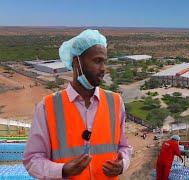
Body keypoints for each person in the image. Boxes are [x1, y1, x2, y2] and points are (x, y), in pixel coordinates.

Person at [23, 29, 132, 179]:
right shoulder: (48, 106)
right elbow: (32, 160)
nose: (103, 69)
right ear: (77, 62)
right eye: (97, 61)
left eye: (104, 61)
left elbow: (124, 147)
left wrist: (123, 164)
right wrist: (62, 170)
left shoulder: (115, 102)